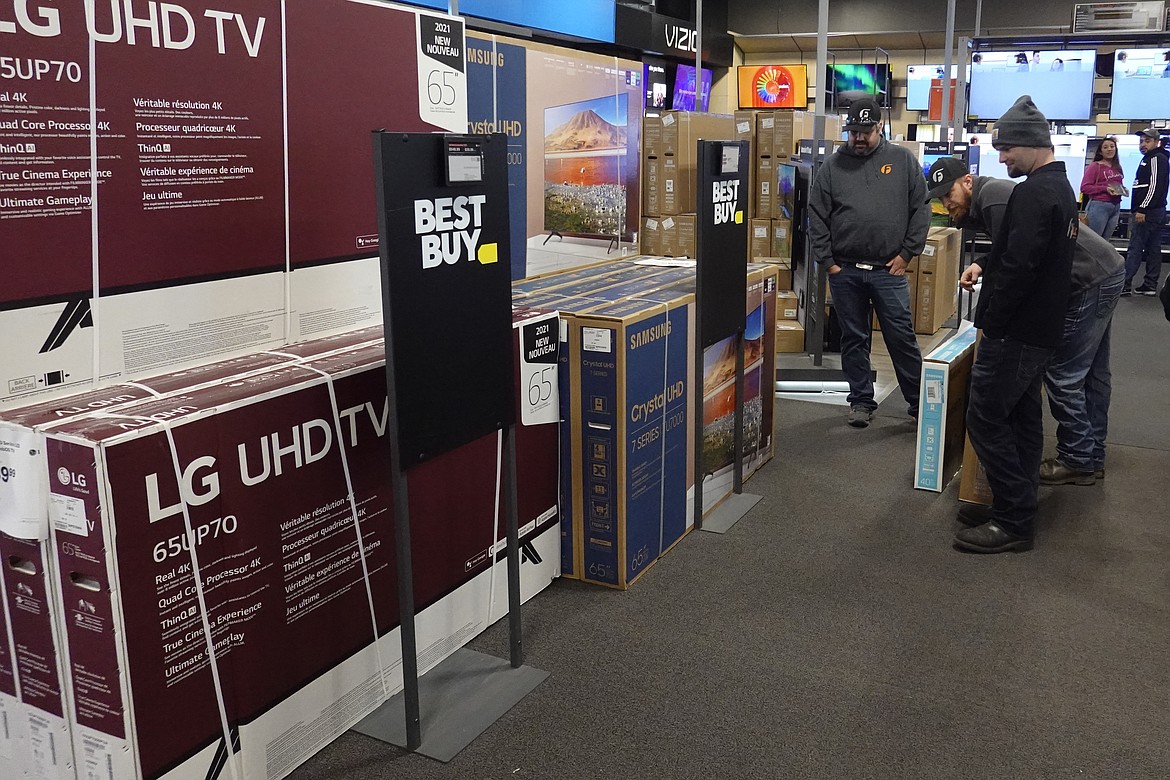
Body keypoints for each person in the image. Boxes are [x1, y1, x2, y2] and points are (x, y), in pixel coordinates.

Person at [928, 156, 1125, 491]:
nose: (947, 203)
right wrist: (982, 263)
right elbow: (1015, 247)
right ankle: (1090, 456)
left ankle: (1077, 458)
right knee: (1092, 375)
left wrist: (995, 323)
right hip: (1105, 271)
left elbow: (1020, 260)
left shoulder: (994, 197)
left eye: (950, 193)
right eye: (941, 198)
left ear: (968, 182)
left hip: (1088, 279)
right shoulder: (994, 196)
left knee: (1063, 375)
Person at [947, 95, 1078, 553]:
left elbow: (1020, 268)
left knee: (984, 418)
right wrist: (986, 263)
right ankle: (1018, 502)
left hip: (1017, 331)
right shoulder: (1059, 188)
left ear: (1032, 145)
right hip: (1039, 328)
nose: (1001, 158)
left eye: (1007, 149)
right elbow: (1018, 253)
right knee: (1021, 416)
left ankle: (1013, 521)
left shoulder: (1034, 192)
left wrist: (993, 324)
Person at [807, 97, 929, 428]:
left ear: (880, 127)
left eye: (865, 132)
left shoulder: (902, 160)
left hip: (889, 271)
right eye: (853, 132)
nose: (859, 139)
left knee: (900, 337)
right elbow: (816, 214)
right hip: (844, 270)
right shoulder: (833, 166)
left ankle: (919, 404)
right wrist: (828, 261)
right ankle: (861, 400)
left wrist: (907, 253)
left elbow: (921, 208)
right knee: (853, 337)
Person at [1122, 127, 1168, 296]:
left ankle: (1125, 284)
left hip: (1148, 213)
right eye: (1141, 141)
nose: (1143, 145)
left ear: (1157, 142)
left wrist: (1142, 208)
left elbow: (1154, 186)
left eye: (1147, 141)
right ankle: (1149, 284)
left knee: (1135, 247)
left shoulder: (1156, 158)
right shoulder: (1151, 158)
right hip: (1155, 211)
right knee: (1153, 249)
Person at [1080, 137, 1126, 239]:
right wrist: (1105, 189)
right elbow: (1084, 187)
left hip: (1116, 206)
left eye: (1112, 146)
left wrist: (1122, 189)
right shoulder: (1095, 166)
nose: (1109, 149)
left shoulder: (1117, 167)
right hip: (1099, 205)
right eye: (1105, 147)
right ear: (1101, 152)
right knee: (1094, 241)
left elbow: (1115, 184)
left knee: (1105, 242)